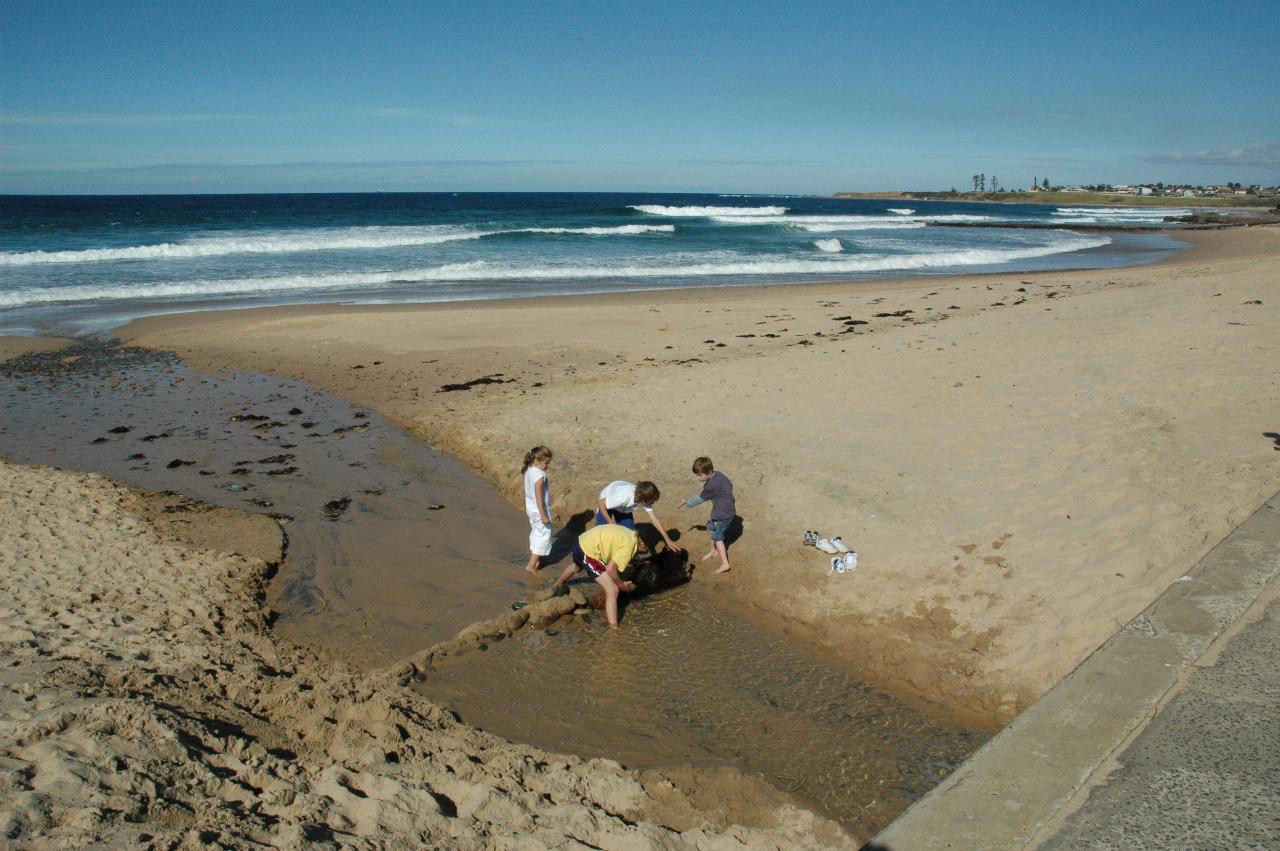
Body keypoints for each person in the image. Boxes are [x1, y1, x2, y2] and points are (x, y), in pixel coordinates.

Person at [552, 523, 644, 627]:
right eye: (637, 555)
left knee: (576, 567)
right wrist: (621, 584)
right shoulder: (630, 546)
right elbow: (610, 569)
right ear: (640, 545)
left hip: (582, 542)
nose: (635, 556)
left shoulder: (630, 534)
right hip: (589, 553)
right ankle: (613, 628)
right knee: (613, 590)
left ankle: (556, 585)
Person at [677, 456, 735, 575]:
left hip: (722, 514)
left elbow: (700, 499)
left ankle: (725, 564)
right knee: (710, 527)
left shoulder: (711, 486)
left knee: (718, 537)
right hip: (727, 510)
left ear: (709, 472)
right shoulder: (719, 475)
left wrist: (687, 503)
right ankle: (713, 551)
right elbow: (730, 484)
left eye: (700, 475)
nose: (698, 478)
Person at [595, 479, 684, 552]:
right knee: (603, 534)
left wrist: (668, 540)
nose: (652, 503)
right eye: (652, 501)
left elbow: (654, 520)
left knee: (630, 537)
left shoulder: (643, 497)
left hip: (623, 508)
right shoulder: (624, 496)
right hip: (607, 503)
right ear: (644, 499)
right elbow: (601, 504)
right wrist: (611, 523)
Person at [521, 446, 554, 574]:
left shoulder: (529, 470)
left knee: (537, 532)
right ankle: (531, 565)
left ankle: (537, 559)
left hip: (531, 509)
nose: (547, 466)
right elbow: (539, 497)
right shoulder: (539, 476)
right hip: (539, 510)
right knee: (544, 535)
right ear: (536, 460)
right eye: (546, 463)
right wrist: (543, 515)